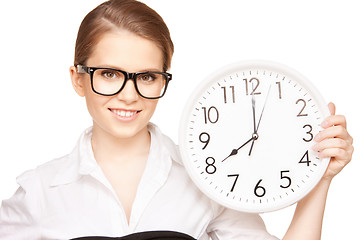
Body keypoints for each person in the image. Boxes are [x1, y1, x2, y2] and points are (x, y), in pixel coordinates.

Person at [0, 0, 354, 239]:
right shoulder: (39, 191)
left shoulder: (208, 181)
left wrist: (318, 181)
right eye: (109, 74)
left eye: (147, 76)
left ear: (163, 79)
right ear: (78, 79)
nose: (129, 94)